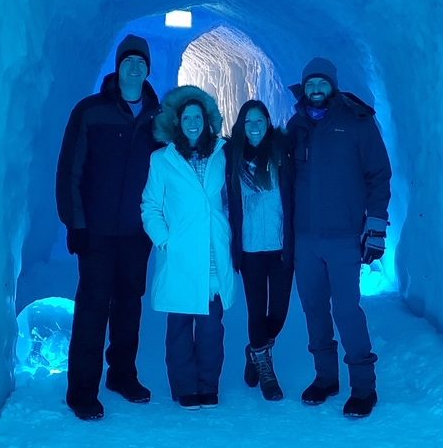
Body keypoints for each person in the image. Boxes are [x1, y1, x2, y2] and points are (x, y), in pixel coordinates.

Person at [55, 34, 159, 421]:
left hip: (136, 233)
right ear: (118, 66)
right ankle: (82, 390)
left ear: (149, 68)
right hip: (96, 231)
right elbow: (71, 170)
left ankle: (122, 375)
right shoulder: (91, 111)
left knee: (130, 305)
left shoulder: (156, 117)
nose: (135, 66)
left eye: (141, 61)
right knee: (93, 308)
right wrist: (75, 223)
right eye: (128, 60)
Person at [286, 57, 392, 418]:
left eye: (322, 82)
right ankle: (325, 378)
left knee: (346, 310)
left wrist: (375, 228)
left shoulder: (357, 123)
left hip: (344, 236)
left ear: (332, 84)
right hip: (306, 238)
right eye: (310, 83)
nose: (316, 89)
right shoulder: (297, 125)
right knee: (313, 308)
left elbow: (378, 175)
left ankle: (364, 387)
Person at [141, 86, 236, 410]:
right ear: (177, 122)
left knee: (211, 328)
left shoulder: (222, 154)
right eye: (187, 117)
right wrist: (164, 240)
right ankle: (185, 387)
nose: (192, 122)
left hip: (211, 254)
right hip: (180, 255)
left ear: (207, 121)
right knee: (180, 327)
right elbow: (150, 205)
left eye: (198, 116)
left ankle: (208, 385)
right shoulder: (162, 159)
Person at [224, 100, 294, 401]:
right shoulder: (232, 157)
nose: (254, 127)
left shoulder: (282, 154)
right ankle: (266, 369)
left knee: (278, 312)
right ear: (241, 126)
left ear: (268, 122)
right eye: (248, 121)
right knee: (256, 310)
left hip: (280, 246)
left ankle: (255, 349)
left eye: (259, 121)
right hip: (251, 247)